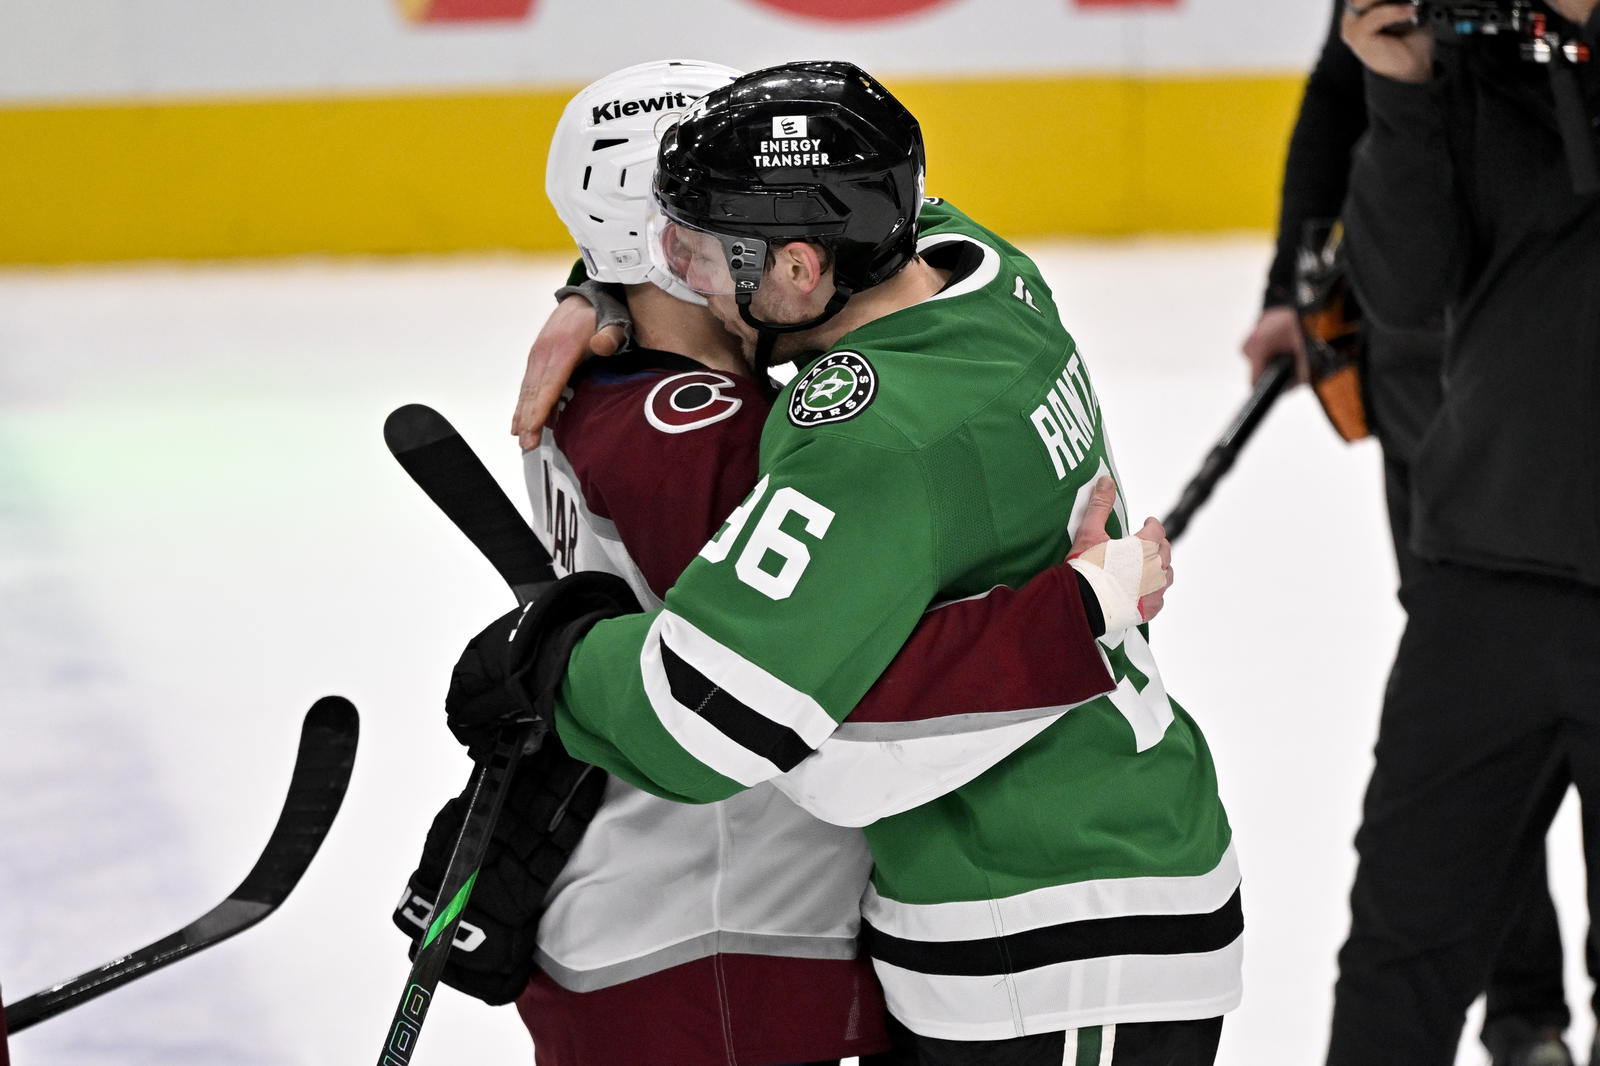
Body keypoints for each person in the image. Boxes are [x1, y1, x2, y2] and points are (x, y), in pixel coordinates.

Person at [448, 60, 1239, 1065]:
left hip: (1057, 921)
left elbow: (765, 726)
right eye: (665, 245)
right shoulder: (980, 270)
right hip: (1009, 902)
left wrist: (550, 664)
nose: (684, 269)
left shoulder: (858, 439)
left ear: (796, 268)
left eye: (698, 247)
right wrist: (600, 286)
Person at [1244, 4, 1575, 1064]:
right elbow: (1340, 110)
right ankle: (1524, 1007)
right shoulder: (1442, 42)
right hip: (1467, 498)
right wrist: (1294, 283)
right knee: (1434, 875)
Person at [1328, 3, 1600, 1064]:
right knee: (1401, 953)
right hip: (1483, 578)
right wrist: (1400, 91)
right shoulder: (1482, 67)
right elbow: (1399, 293)